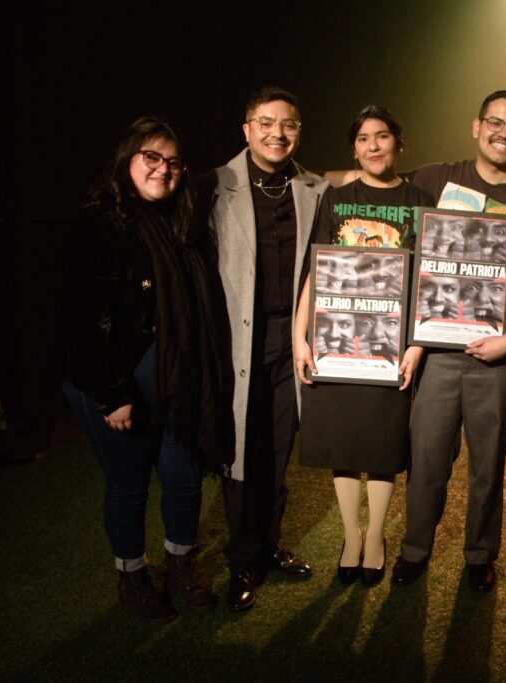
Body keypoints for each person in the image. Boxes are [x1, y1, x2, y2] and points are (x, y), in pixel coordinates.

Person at [324, 90, 506, 591]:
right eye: (494, 122)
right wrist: (312, 184)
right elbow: (370, 179)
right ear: (476, 126)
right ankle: (414, 550)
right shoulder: (435, 179)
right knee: (427, 460)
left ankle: (479, 557)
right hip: (434, 354)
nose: (503, 133)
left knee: (487, 467)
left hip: (496, 358)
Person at [63, 116, 233, 621]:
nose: (164, 170)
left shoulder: (180, 221)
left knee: (182, 477)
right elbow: (81, 319)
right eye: (152, 158)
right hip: (114, 380)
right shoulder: (100, 221)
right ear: (128, 160)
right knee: (129, 484)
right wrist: (112, 392)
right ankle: (132, 577)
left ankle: (181, 566)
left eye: (174, 162)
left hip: (176, 380)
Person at [295, 106, 431, 587]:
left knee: (381, 444)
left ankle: (375, 536)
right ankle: (351, 536)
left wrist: (416, 344)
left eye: (383, 136)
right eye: (364, 139)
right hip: (337, 339)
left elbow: (429, 280)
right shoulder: (336, 199)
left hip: (392, 345)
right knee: (345, 444)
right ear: (353, 147)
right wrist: (299, 336)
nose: (374, 146)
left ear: (399, 142)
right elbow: (315, 267)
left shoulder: (421, 200)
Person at [204, 86, 327, 611]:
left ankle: (269, 545)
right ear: (246, 128)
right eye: (266, 122)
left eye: (289, 124)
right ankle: (241, 559)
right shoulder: (214, 186)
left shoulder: (313, 189)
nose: (278, 133)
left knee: (277, 450)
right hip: (235, 338)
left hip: (289, 338)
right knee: (239, 455)